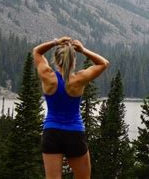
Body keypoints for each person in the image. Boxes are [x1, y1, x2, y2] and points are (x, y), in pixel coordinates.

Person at [33, 36, 109, 179]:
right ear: (74, 61)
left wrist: (55, 42)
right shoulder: (78, 79)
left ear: (56, 60)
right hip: (74, 133)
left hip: (51, 132)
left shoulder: (47, 76)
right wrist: (83, 50)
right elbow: (103, 63)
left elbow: (37, 52)